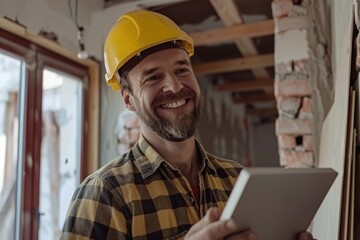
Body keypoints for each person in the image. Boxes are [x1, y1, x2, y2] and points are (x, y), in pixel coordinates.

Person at [61, 10, 314, 240]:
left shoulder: (236, 180)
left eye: (182, 70)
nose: (174, 86)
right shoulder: (104, 194)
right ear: (128, 99)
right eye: (153, 77)